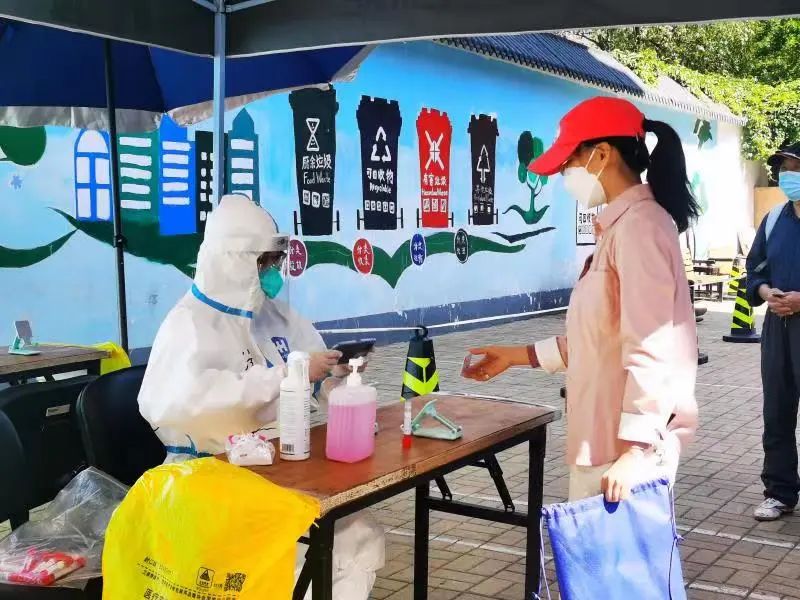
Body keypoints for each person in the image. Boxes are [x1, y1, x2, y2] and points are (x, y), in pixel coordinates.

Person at [138, 194, 383, 600]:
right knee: (311, 553)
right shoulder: (189, 325)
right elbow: (188, 404)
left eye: (275, 261)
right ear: (233, 260)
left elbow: (312, 368)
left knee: (355, 533)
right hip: (211, 477)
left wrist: (332, 376)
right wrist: (289, 375)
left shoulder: (275, 315)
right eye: (263, 262)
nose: (272, 272)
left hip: (281, 467)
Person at [463, 97, 699, 502]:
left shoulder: (639, 229)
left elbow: (652, 345)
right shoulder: (622, 227)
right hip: (604, 443)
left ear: (602, 154)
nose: (564, 175)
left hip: (621, 454)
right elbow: (601, 339)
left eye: (568, 162)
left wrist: (635, 450)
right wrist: (516, 356)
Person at [746, 142, 800, 521]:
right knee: (777, 411)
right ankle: (780, 491)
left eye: (795, 167)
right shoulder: (775, 218)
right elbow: (755, 268)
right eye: (784, 168)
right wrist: (765, 291)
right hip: (778, 328)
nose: (787, 175)